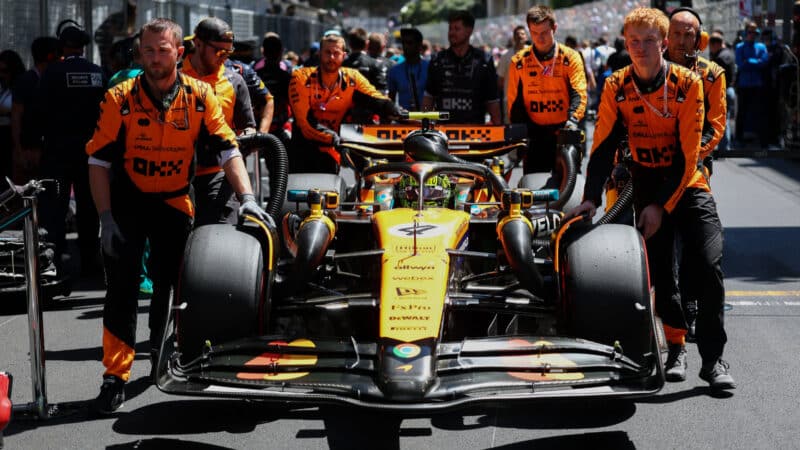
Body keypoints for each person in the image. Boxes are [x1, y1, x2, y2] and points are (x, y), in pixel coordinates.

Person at [86, 18, 270, 415]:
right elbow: (98, 161)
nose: (154, 58)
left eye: (162, 50)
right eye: (147, 50)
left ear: (179, 52)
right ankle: (114, 376)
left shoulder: (201, 95)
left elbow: (228, 150)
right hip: (128, 203)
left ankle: (161, 354)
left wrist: (249, 197)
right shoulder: (120, 96)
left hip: (175, 202)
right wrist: (105, 218)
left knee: (174, 284)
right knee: (121, 289)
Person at [568, 7, 734, 390]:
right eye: (633, 41)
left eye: (648, 40)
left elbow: (688, 156)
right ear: (626, 44)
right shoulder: (616, 85)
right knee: (659, 274)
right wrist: (591, 198)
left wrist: (661, 205)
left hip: (688, 183)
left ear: (663, 43)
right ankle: (676, 348)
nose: (640, 48)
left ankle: (714, 360)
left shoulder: (689, 83)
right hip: (643, 184)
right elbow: (604, 146)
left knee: (709, 265)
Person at [666, 7, 729, 368]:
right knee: (663, 256)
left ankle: (710, 349)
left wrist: (688, 157)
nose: (681, 40)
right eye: (676, 33)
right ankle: (674, 337)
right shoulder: (650, 71)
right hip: (652, 175)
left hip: (693, 171)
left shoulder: (712, 74)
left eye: (689, 34)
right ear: (666, 37)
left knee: (700, 250)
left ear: (699, 39)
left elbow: (715, 127)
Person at [38, 21, 107, 277]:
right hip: (90, 154)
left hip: (57, 153)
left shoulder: (53, 73)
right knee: (89, 208)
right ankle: (90, 262)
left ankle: (52, 264)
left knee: (54, 208)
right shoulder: (98, 72)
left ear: (62, 46)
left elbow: (39, 111)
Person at [288, 31, 402, 174]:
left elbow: (375, 98)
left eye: (336, 53)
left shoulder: (352, 78)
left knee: (332, 192)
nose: (331, 58)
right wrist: (336, 138)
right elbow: (305, 123)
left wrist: (396, 110)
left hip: (331, 153)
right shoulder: (301, 77)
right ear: (319, 54)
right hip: (302, 151)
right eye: (327, 52)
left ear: (344, 55)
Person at [182, 17, 257, 227]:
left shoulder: (234, 81)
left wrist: (249, 135)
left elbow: (248, 125)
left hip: (218, 174)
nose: (224, 58)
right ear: (198, 43)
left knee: (218, 238)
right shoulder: (174, 77)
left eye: (228, 52)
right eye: (218, 51)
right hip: (177, 177)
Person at [506, 5, 587, 175]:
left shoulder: (570, 57)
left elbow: (579, 93)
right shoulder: (519, 61)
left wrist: (572, 119)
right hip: (535, 133)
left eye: (544, 32)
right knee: (533, 191)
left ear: (554, 28)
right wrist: (518, 134)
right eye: (534, 33)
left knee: (569, 190)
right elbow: (514, 103)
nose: (539, 38)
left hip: (564, 130)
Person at [423, 10, 501, 124]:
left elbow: (492, 100)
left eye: (457, 28)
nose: (452, 33)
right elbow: (428, 97)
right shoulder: (437, 60)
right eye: (450, 29)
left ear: (469, 31)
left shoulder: (484, 61)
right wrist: (424, 127)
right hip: (443, 132)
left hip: (474, 134)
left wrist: (498, 131)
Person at [734, 22, 768, 148]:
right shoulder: (739, 47)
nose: (752, 35)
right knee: (742, 112)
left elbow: (764, 62)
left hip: (757, 84)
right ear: (745, 32)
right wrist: (755, 62)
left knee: (759, 112)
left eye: (754, 32)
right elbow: (740, 64)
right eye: (750, 32)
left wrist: (748, 61)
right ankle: (738, 138)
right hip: (744, 85)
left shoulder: (761, 47)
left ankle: (762, 139)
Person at [254, 32, 292, 143]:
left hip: (260, 127)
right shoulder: (287, 75)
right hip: (279, 128)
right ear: (281, 52)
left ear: (263, 52)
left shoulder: (253, 74)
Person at [343, 27, 386, 122]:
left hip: (346, 116)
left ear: (349, 44)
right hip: (370, 116)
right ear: (367, 44)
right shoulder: (375, 63)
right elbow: (382, 91)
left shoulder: (342, 64)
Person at [2, 49, 28, 182]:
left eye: (5, 71)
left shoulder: (20, 88)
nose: (2, 75)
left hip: (12, 136)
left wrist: (7, 112)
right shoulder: (3, 89)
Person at [387, 28, 429, 111]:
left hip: (426, 121)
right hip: (403, 121)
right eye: (403, 43)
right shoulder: (394, 71)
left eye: (410, 43)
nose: (405, 46)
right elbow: (391, 101)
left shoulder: (430, 68)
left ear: (419, 45)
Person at [708, 30, 736, 152]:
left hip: (723, 90)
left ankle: (724, 147)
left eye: (713, 43)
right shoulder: (728, 53)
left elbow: (714, 76)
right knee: (725, 118)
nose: (711, 46)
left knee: (721, 119)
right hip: (730, 89)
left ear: (717, 44)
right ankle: (725, 146)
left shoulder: (720, 58)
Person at [496, 25, 528, 123]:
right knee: (510, 129)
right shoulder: (506, 56)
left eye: (522, 34)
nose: (519, 36)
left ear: (526, 37)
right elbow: (500, 81)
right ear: (513, 37)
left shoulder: (533, 53)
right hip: (510, 101)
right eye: (517, 34)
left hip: (529, 100)